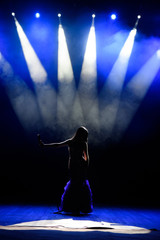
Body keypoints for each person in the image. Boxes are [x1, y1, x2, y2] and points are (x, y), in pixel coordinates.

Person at [37, 126, 93, 214]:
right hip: (74, 166)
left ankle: (76, 207)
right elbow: (57, 145)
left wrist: (85, 167)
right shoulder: (72, 142)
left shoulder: (81, 143)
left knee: (77, 185)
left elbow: (87, 157)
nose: (85, 137)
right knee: (75, 184)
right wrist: (44, 145)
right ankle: (74, 206)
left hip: (79, 166)